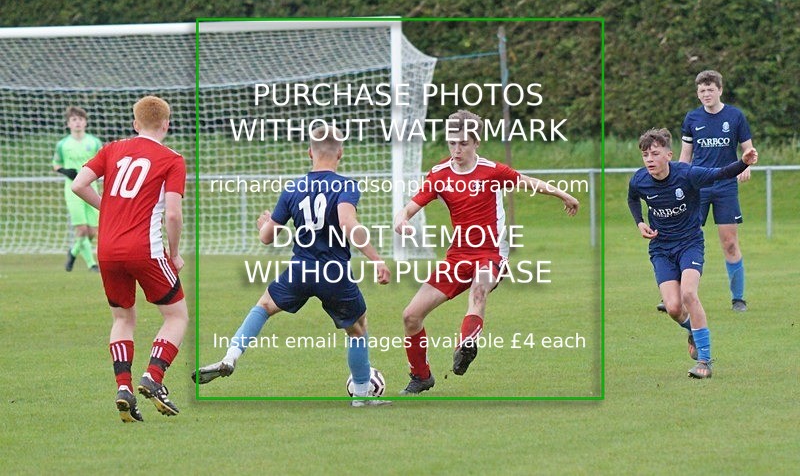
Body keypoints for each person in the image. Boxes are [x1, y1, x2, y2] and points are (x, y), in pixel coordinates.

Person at [193, 124, 392, 407]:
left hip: (301, 269)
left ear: (310, 152)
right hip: (333, 272)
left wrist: (264, 225)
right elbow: (348, 223)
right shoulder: (345, 186)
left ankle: (230, 357)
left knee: (263, 307)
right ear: (341, 153)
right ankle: (361, 395)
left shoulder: (293, 188)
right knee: (358, 328)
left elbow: (266, 237)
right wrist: (377, 259)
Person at [392, 110, 580, 395]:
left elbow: (526, 181)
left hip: (491, 252)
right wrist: (401, 219)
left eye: (463, 143)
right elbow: (411, 206)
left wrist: (562, 194)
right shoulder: (439, 175)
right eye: (452, 143)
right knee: (411, 315)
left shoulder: (492, 171)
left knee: (478, 293)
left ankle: (465, 346)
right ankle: (421, 376)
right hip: (457, 256)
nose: (456, 149)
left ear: (476, 142)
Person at [71, 96, 188, 422]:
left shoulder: (112, 149)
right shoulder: (172, 159)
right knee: (176, 315)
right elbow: (174, 214)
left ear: (135, 123)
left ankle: (123, 388)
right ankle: (153, 376)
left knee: (122, 319)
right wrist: (175, 254)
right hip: (145, 249)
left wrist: (107, 208)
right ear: (166, 124)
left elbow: (79, 185)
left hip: (107, 249)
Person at [628, 128, 757, 379]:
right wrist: (639, 222)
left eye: (655, 154)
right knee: (674, 308)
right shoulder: (640, 179)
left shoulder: (687, 174)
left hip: (689, 244)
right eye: (645, 155)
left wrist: (743, 162)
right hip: (661, 249)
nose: (649, 160)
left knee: (688, 293)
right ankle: (693, 329)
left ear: (669, 154)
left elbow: (720, 173)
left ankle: (705, 361)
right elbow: (633, 198)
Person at [679, 70, 755, 313]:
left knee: (730, 243)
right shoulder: (692, 119)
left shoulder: (735, 116)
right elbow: (685, 157)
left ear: (720, 90)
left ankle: (738, 299)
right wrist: (678, 181)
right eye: (702, 90)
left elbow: (748, 149)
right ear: (697, 93)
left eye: (710, 89)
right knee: (684, 240)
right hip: (697, 187)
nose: (706, 94)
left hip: (725, 186)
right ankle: (678, 296)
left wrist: (746, 164)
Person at [52, 106, 103, 272]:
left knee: (92, 231)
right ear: (68, 124)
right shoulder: (63, 144)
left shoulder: (94, 142)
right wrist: (65, 171)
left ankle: (73, 252)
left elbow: (103, 162)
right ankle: (91, 264)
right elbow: (56, 164)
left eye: (80, 119)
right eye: (74, 120)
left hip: (92, 188)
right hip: (73, 190)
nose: (78, 122)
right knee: (81, 228)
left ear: (86, 122)